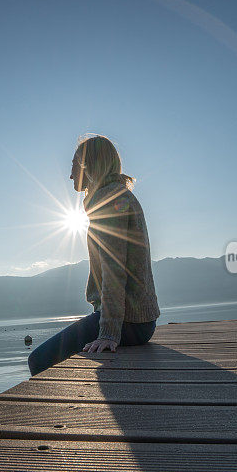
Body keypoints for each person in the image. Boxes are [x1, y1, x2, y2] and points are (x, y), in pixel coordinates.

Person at [27, 134, 160, 376]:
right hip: (137, 320)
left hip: (128, 323)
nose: (69, 175)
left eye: (73, 166)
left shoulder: (108, 200)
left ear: (89, 166)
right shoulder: (117, 195)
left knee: (38, 361)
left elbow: (114, 270)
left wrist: (108, 332)